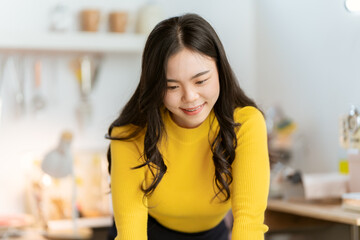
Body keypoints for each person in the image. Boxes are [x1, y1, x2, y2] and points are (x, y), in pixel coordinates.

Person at [106, 13, 270, 240]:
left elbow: (249, 224)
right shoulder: (131, 134)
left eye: (201, 81)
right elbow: (131, 232)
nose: (190, 97)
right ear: (155, 86)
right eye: (172, 87)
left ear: (220, 71)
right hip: (148, 231)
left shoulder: (246, 124)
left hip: (212, 234)